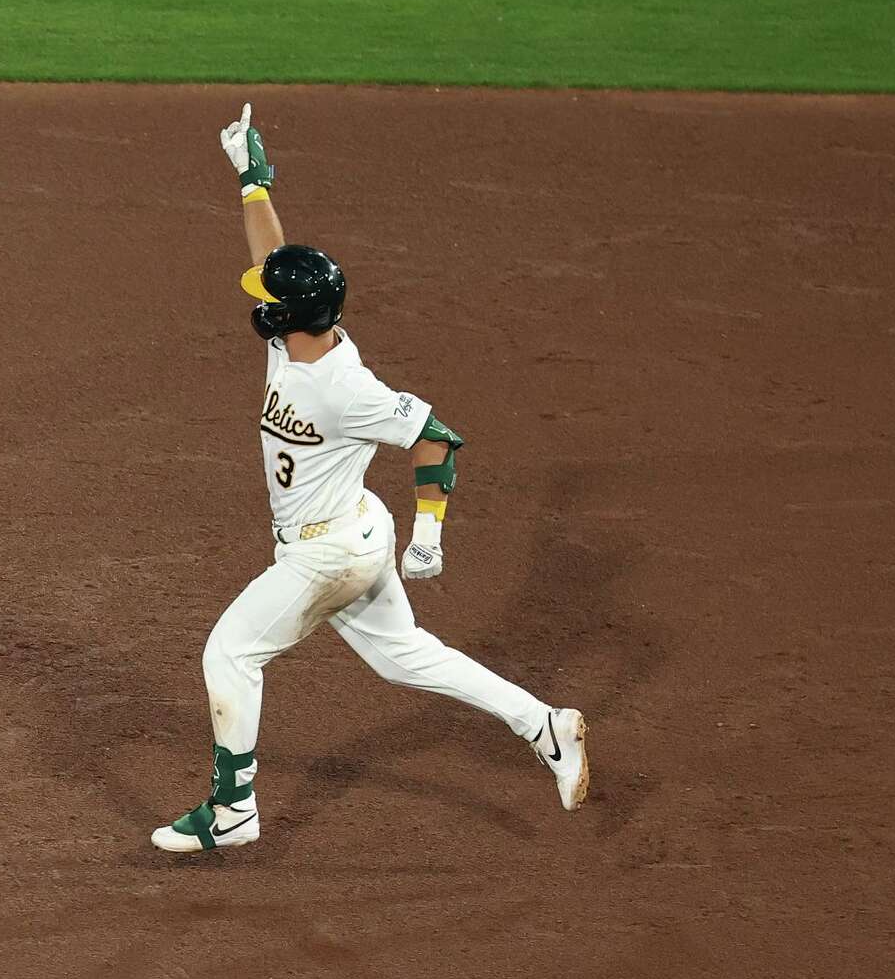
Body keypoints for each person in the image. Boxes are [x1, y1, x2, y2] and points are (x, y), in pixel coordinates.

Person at [150, 106, 587, 853]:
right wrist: (253, 177)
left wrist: (431, 536)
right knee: (405, 654)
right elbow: (275, 254)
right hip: (352, 531)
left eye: (270, 298)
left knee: (229, 653)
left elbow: (437, 438)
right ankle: (543, 722)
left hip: (328, 553)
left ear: (292, 312)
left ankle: (235, 812)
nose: (260, 299)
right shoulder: (299, 339)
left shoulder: (347, 386)